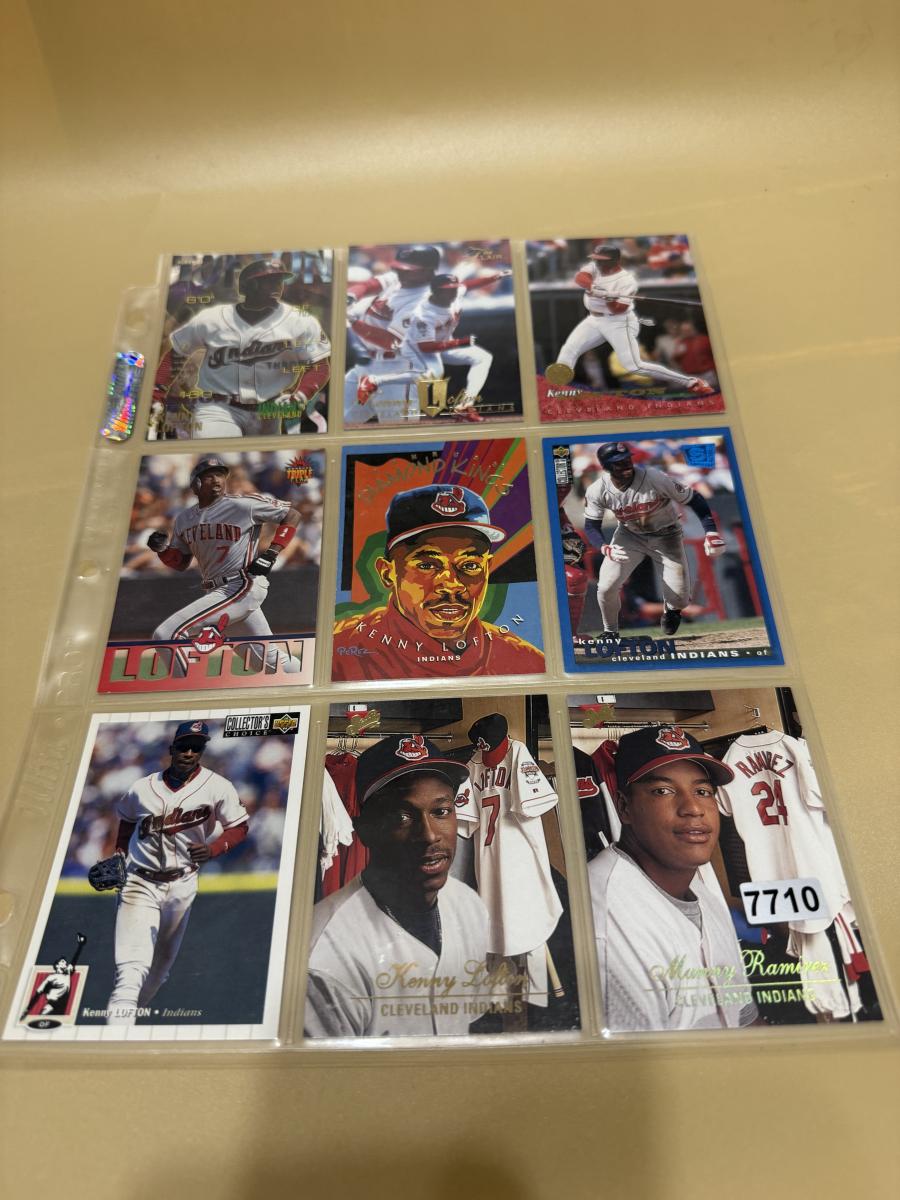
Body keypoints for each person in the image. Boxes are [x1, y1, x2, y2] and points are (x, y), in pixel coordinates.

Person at [304, 735, 490, 1037]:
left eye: (441, 811)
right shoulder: (324, 948)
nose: (429, 835)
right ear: (365, 830)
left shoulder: (469, 906)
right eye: (402, 817)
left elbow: (467, 1022)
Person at [587, 725, 757, 1032]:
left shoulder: (700, 892)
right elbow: (638, 1060)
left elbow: (745, 1021)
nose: (693, 808)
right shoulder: (605, 916)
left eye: (703, 791)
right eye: (662, 791)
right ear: (624, 807)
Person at [100, 721, 249, 1024]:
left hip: (182, 883)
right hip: (140, 881)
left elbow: (239, 826)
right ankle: (115, 1034)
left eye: (196, 747)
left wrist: (214, 848)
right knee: (132, 970)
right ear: (172, 749)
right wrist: (119, 853)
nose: (189, 752)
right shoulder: (142, 787)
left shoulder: (218, 786)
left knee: (158, 973)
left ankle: (122, 1023)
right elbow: (126, 820)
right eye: (184, 746)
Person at [332, 483, 545, 679]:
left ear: (487, 569)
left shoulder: (527, 662)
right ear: (388, 573)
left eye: (470, 565)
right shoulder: (338, 651)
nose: (452, 585)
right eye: (427, 565)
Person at [148, 456, 303, 674]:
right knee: (271, 663)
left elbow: (292, 515)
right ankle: (309, 673)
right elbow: (180, 562)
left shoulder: (242, 505)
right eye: (209, 476)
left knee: (166, 634)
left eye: (220, 475)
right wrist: (162, 550)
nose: (217, 480)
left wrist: (271, 553)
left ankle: (187, 689)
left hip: (241, 584)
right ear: (195, 483)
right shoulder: (184, 518)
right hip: (217, 591)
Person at [151, 258, 331, 438]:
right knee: (220, 450)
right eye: (267, 281)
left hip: (270, 409)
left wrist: (300, 395)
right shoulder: (212, 319)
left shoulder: (301, 321)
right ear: (247, 286)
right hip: (218, 407)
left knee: (264, 455)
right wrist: (158, 391)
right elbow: (177, 354)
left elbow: (320, 366)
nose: (276, 287)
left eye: (278, 281)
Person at [581, 442, 725, 637]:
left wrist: (711, 532)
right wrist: (604, 547)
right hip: (630, 536)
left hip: (667, 536)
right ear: (606, 466)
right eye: (618, 463)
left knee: (680, 599)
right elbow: (591, 526)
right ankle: (610, 632)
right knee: (606, 587)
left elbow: (694, 498)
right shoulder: (598, 489)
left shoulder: (654, 477)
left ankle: (672, 611)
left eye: (627, 460)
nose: (626, 465)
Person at [544, 244, 714, 394]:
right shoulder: (595, 266)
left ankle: (690, 382)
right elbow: (580, 278)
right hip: (594, 320)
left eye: (602, 260)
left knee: (634, 366)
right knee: (569, 349)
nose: (598, 263)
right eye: (597, 259)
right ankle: (558, 390)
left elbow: (619, 309)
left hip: (619, 321)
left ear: (615, 261)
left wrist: (609, 299)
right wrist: (594, 287)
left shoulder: (627, 281)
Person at [356, 271, 511, 422]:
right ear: (435, 291)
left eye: (454, 288)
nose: (453, 292)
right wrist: (459, 343)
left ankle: (465, 406)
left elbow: (468, 285)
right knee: (432, 375)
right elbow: (426, 347)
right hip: (416, 348)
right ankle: (374, 380)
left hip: (443, 343)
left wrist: (495, 277)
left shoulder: (455, 294)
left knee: (482, 357)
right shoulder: (424, 314)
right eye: (447, 290)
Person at [344, 244, 442, 425]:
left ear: (428, 270)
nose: (400, 273)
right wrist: (350, 296)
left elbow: (391, 342)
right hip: (367, 364)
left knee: (397, 431)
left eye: (408, 270)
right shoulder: (402, 277)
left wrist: (352, 321)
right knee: (339, 419)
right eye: (399, 268)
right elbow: (368, 285)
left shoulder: (426, 302)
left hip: (399, 369)